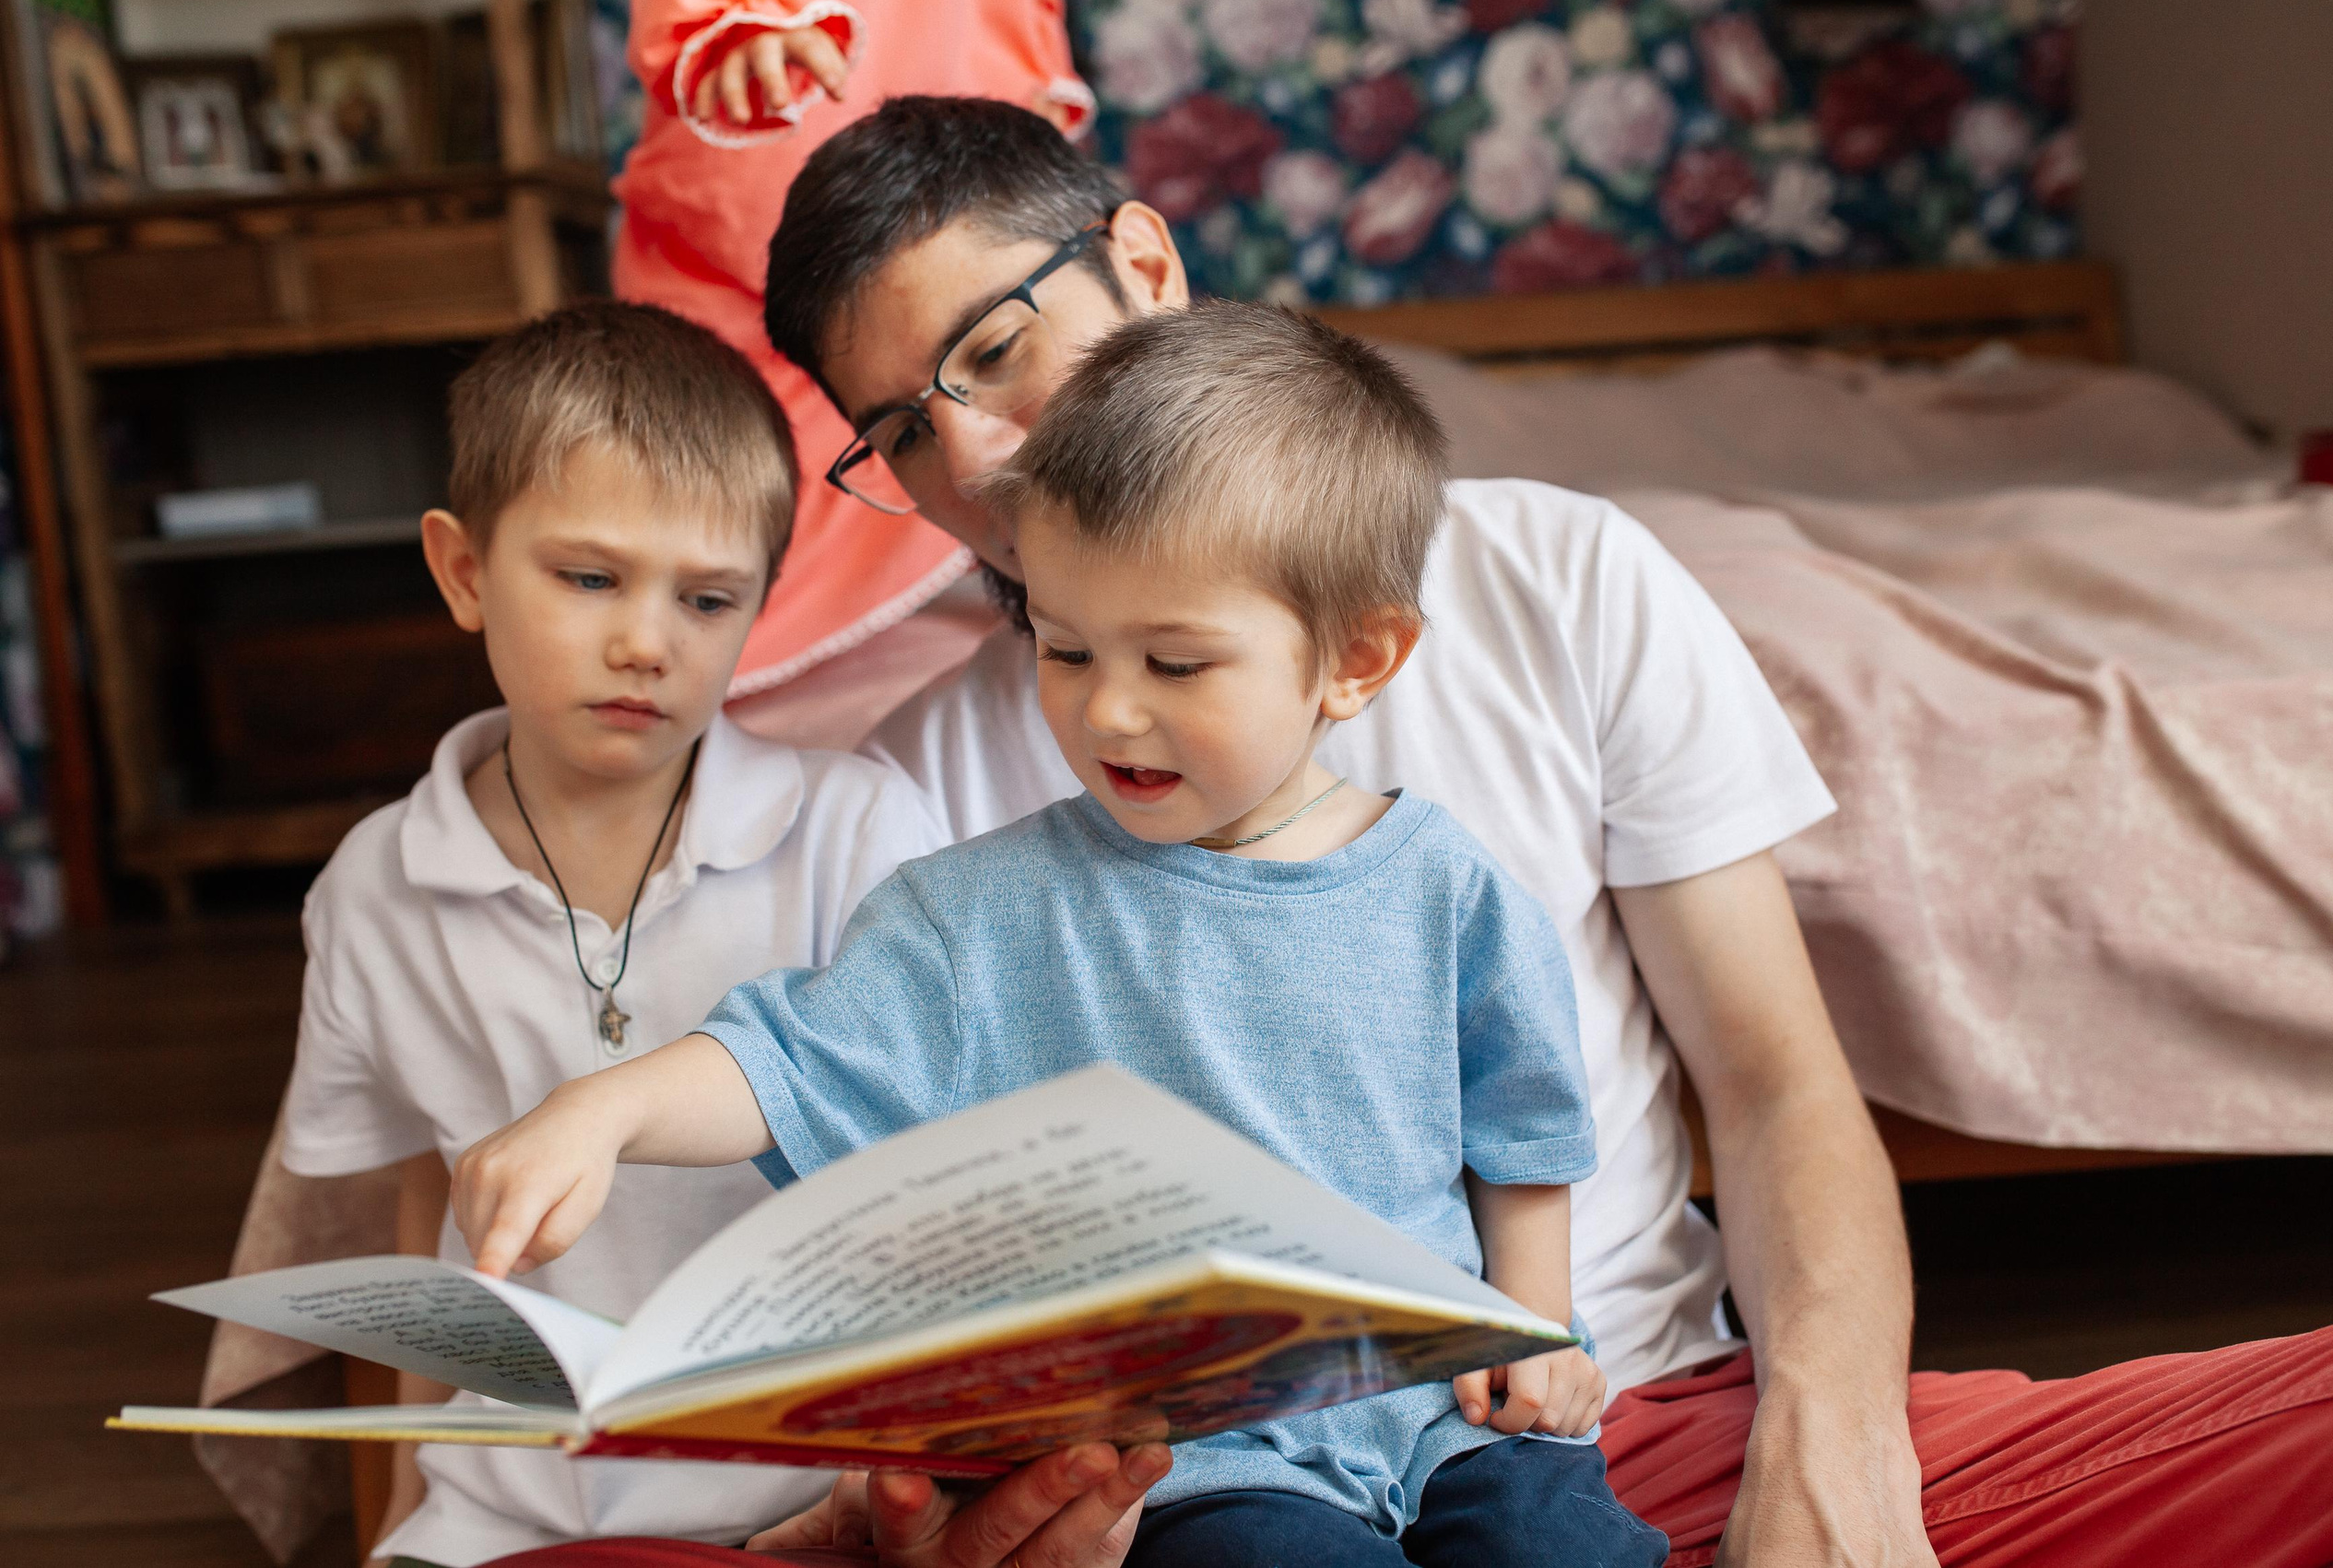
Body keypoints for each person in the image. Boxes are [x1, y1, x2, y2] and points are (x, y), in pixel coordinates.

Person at [701, 98, 2333, 1568]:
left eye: (992, 350)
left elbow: (1777, 1076)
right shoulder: (914, 791)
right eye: (901, 429)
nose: (975, 450)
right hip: (1222, 1500)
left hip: (1617, 1421)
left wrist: (1831, 1462)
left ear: (1144, 261)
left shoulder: (1564, 575)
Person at [452, 301, 1670, 1568]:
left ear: (1356, 659)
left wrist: (1540, 1336)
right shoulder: (977, 916)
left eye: (1178, 663)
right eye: (1066, 645)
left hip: (1453, 1412)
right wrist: (602, 1112)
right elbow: (786, 1060)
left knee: (1567, 1543)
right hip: (1212, 1456)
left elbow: (1522, 1135)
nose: (1111, 711)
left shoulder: (1448, 891)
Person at [277, 301, 954, 1565]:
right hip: (507, 1505)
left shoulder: (860, 829)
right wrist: (390, 1527)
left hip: (811, 1503)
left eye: (707, 598)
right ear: (464, 570)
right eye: (589, 578)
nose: (647, 641)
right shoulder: (374, 887)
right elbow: (419, 1210)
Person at [612, 0, 1094, 700]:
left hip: (954, 121)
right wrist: (731, 24)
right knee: (739, 456)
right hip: (772, 160)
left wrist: (1025, 93)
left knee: (991, 388)